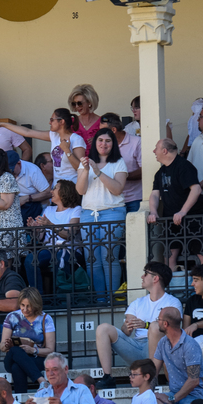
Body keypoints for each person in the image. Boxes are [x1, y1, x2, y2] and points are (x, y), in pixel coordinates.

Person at [94, 261, 181, 385]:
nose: (142, 277)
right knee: (103, 328)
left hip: (159, 349)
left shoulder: (173, 303)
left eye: (146, 274)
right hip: (136, 347)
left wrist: (146, 325)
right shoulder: (137, 303)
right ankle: (108, 377)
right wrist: (127, 327)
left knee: (156, 327)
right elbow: (125, 331)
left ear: (155, 278)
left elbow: (172, 330)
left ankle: (152, 379)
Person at [74, 128, 129, 298]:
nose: (103, 144)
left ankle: (112, 297)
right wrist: (85, 170)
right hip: (89, 213)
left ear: (113, 144)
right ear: (95, 143)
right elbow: (81, 190)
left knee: (109, 257)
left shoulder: (119, 163)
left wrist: (97, 171)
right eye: (100, 140)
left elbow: (117, 188)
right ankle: (100, 298)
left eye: (108, 141)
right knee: (92, 260)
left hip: (112, 212)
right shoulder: (85, 164)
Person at [147, 138, 203, 268]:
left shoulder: (184, 166)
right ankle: (172, 287)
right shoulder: (160, 173)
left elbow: (196, 189)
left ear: (165, 151)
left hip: (193, 219)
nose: (153, 151)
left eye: (156, 148)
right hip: (172, 221)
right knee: (169, 256)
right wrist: (153, 212)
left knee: (202, 253)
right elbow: (155, 194)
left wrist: (183, 212)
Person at [153, 307, 203, 404]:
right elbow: (153, 372)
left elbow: (194, 380)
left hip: (194, 396)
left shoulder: (190, 345)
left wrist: (172, 398)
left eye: (158, 319)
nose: (157, 322)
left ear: (165, 324)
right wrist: (149, 395)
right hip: (174, 395)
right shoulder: (162, 343)